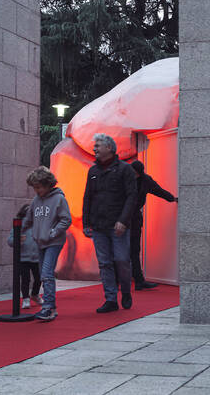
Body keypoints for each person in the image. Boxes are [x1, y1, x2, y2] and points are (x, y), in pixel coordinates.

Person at [82, 134, 137, 313]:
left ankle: (126, 292)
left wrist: (123, 221)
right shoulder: (93, 171)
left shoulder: (125, 170)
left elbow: (132, 197)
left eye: (98, 146)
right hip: (98, 225)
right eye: (95, 146)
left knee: (121, 260)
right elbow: (87, 197)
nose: (94, 149)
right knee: (104, 263)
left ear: (109, 148)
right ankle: (111, 299)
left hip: (118, 226)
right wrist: (86, 222)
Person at [22, 166, 72, 321]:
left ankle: (48, 306)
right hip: (40, 241)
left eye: (38, 187)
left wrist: (54, 232)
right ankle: (52, 308)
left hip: (53, 241)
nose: (36, 190)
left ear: (47, 184)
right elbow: (29, 218)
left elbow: (66, 219)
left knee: (46, 273)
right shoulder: (36, 200)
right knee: (45, 274)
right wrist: (20, 228)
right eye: (34, 187)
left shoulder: (59, 199)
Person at [129, 160, 178, 290]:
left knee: (134, 250)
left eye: (135, 173)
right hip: (121, 218)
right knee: (122, 251)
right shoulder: (125, 177)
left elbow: (159, 191)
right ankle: (120, 280)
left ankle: (138, 281)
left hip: (134, 218)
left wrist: (172, 198)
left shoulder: (145, 180)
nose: (133, 174)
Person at [6, 204, 43, 309]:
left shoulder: (38, 225)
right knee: (25, 279)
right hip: (23, 258)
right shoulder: (19, 226)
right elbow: (9, 241)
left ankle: (35, 294)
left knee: (39, 277)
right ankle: (26, 298)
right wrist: (18, 240)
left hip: (37, 258)